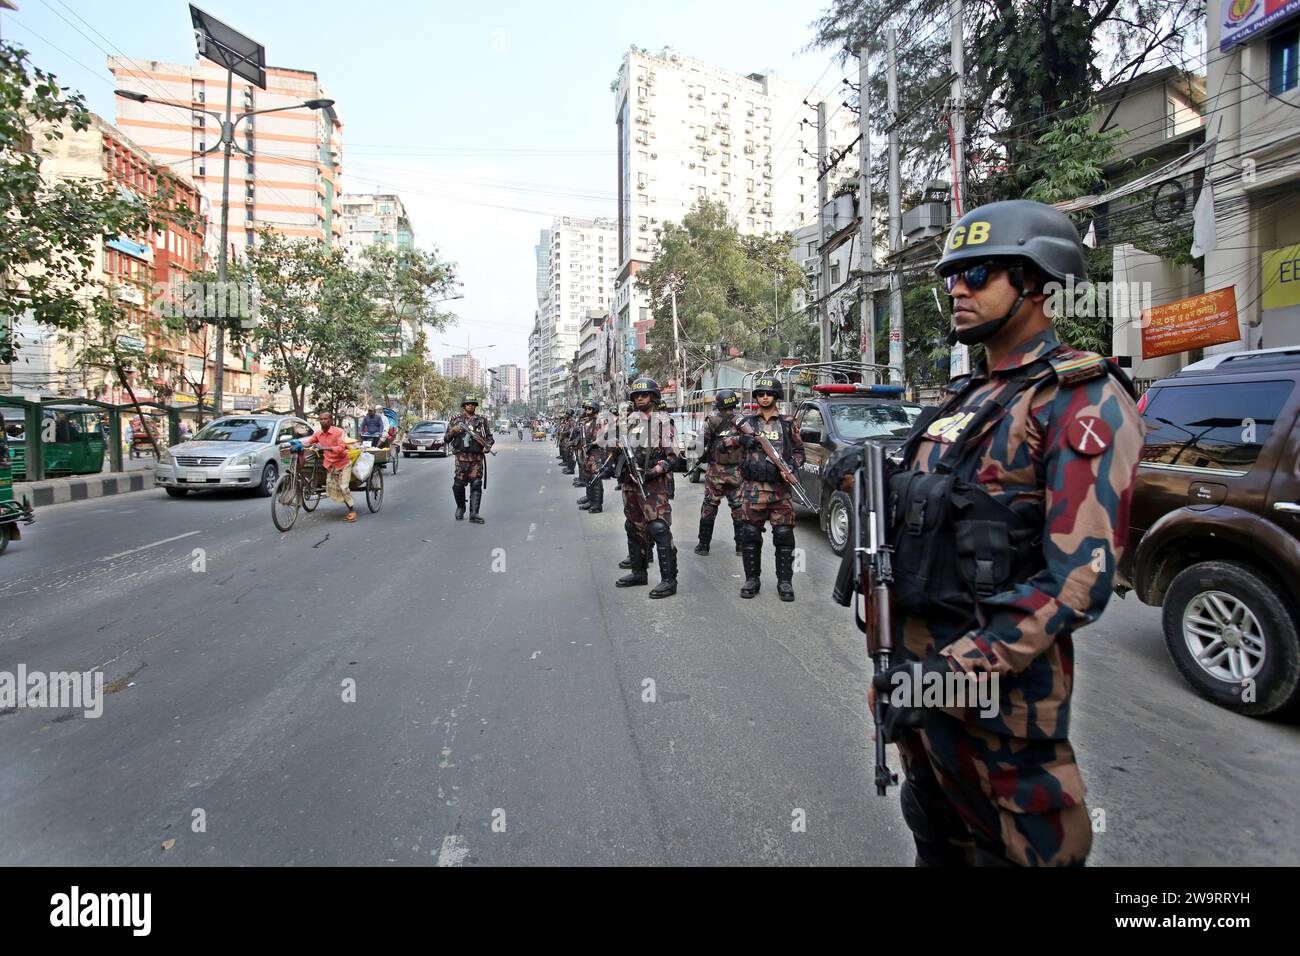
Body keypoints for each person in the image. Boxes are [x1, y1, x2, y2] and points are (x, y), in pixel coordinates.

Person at [835, 199, 1143, 867]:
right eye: (952, 276)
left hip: (998, 703)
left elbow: (1078, 582)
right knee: (937, 842)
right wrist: (896, 674)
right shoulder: (963, 401)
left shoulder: (1077, 398)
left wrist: (939, 677)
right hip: (922, 693)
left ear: (1036, 282)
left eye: (979, 274)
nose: (957, 290)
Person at [597, 378, 681, 599]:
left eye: (644, 394)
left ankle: (669, 580)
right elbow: (606, 443)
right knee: (633, 527)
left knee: (659, 529)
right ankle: (638, 572)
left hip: (653, 484)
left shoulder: (663, 422)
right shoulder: (626, 422)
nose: (639, 398)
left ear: (653, 396)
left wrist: (653, 471)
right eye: (636, 395)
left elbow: (673, 457)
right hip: (629, 483)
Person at [736, 376, 805, 602]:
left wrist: (791, 467)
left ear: (776, 396)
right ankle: (752, 579)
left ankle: (785, 582)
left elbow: (799, 451)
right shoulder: (746, 423)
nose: (765, 397)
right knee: (750, 534)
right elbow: (722, 450)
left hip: (780, 489)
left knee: (784, 535)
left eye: (769, 393)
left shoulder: (787, 422)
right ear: (755, 397)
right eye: (760, 393)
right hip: (753, 488)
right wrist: (740, 443)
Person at [694, 388, 746, 556]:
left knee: (709, 506)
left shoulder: (712, 420)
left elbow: (700, 445)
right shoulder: (742, 421)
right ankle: (741, 547)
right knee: (738, 508)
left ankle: (703, 546)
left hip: (715, 472)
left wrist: (702, 456)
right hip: (737, 472)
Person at [303, 410, 360, 522]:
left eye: (326, 419)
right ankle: (346, 502)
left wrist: (325, 448)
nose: (323, 421)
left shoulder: (339, 432)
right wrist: (294, 444)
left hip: (343, 464)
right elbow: (308, 442)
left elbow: (341, 447)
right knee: (334, 488)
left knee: (344, 487)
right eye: (321, 419)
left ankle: (352, 511)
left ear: (331, 420)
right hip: (330, 465)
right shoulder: (318, 434)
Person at [447, 394, 494, 523]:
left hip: (476, 458)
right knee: (458, 484)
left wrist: (488, 446)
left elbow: (489, 437)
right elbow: (446, 438)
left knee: (476, 484)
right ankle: (461, 507)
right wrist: (453, 431)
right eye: (468, 404)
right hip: (461, 457)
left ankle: (474, 513)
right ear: (464, 406)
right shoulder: (456, 420)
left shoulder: (482, 420)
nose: (470, 406)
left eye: (473, 404)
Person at [576, 399, 605, 513]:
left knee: (596, 479)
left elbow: (604, 437)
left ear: (595, 409)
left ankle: (597, 505)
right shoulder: (587, 421)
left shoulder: (600, 421)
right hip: (587, 453)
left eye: (589, 408)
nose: (586, 410)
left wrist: (592, 444)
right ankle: (590, 500)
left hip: (596, 453)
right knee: (588, 477)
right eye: (586, 408)